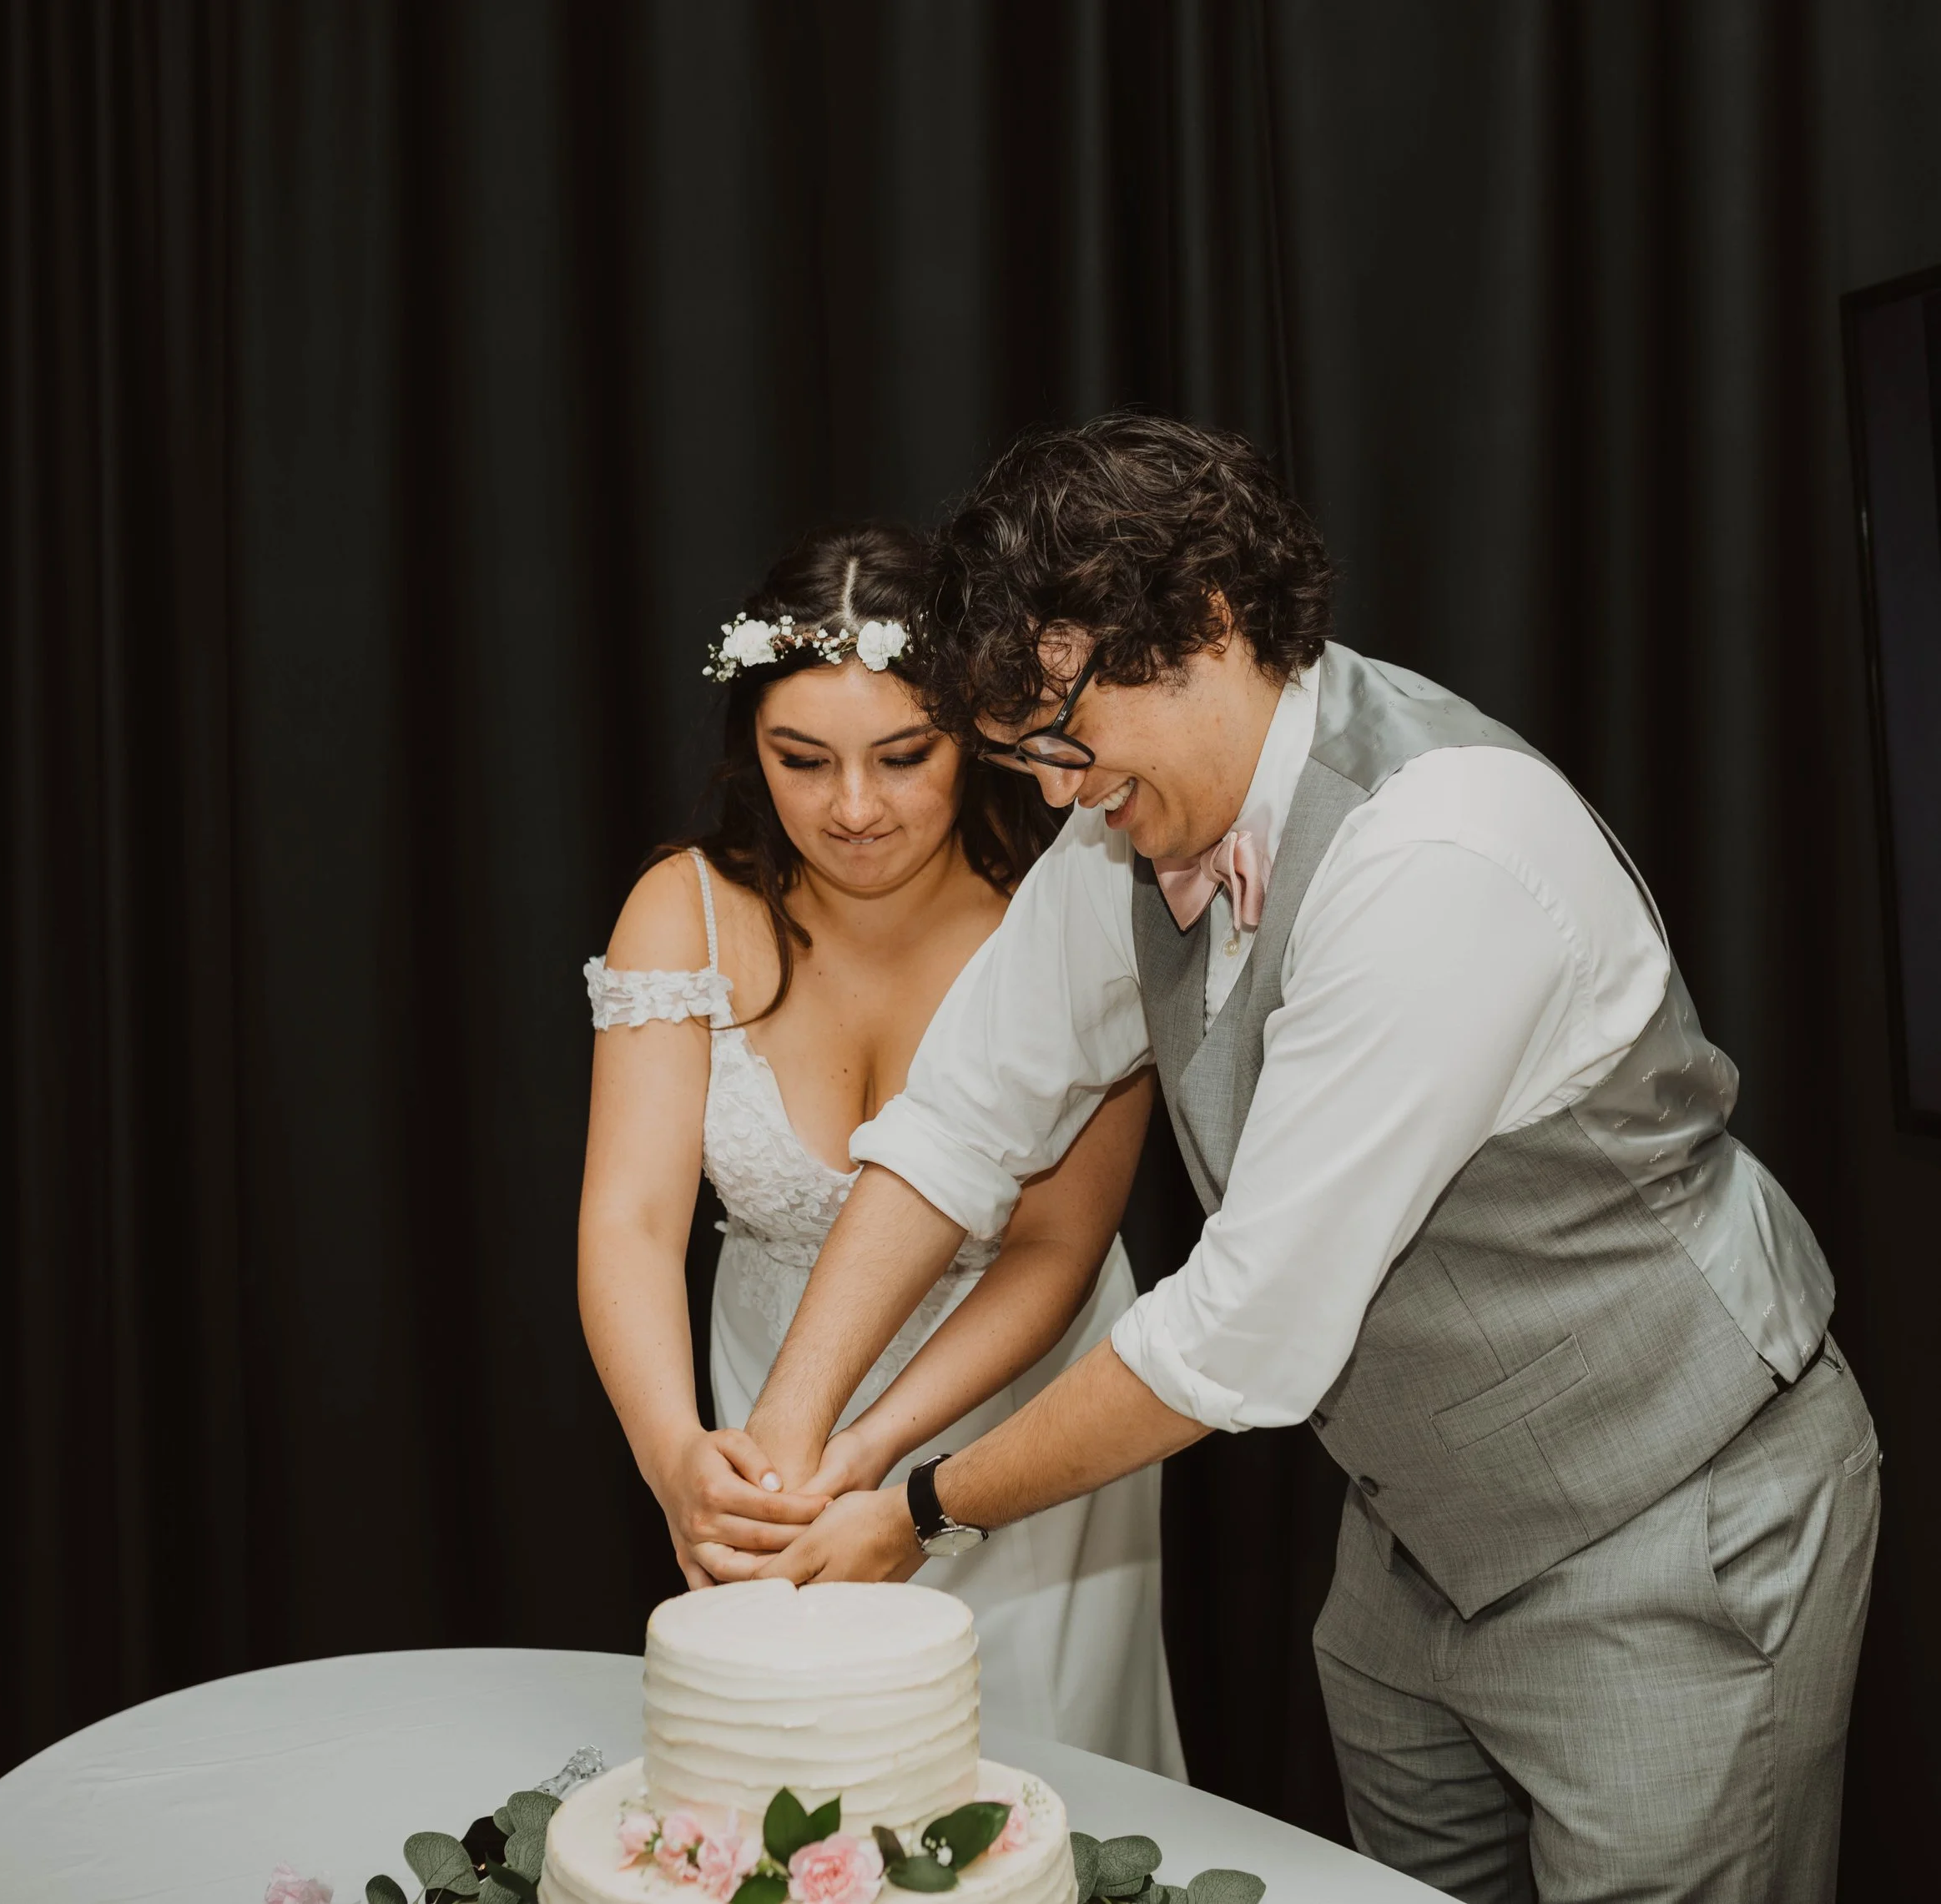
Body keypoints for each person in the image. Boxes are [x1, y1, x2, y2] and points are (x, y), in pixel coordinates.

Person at [733, 420, 1878, 1904]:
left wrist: (916, 1508)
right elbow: (962, 1120)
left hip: (1674, 1531)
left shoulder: (1436, 854)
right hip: (1412, 1543)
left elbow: (1240, 1337)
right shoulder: (1121, 833)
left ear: (1205, 625)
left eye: (1066, 733)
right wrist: (788, 1445)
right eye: (1021, 750)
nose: (1060, 789)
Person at [577, 521, 1186, 1777]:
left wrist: (897, 1470)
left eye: (904, 756)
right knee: (794, 1779)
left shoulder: (1066, 904)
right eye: (803, 760)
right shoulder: (680, 907)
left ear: (975, 731)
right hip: (769, 1412)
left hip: (1020, 1410)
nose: (853, 809)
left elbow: (1059, 1244)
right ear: (751, 743)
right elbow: (630, 1220)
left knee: (1034, 1780)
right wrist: (679, 1454)